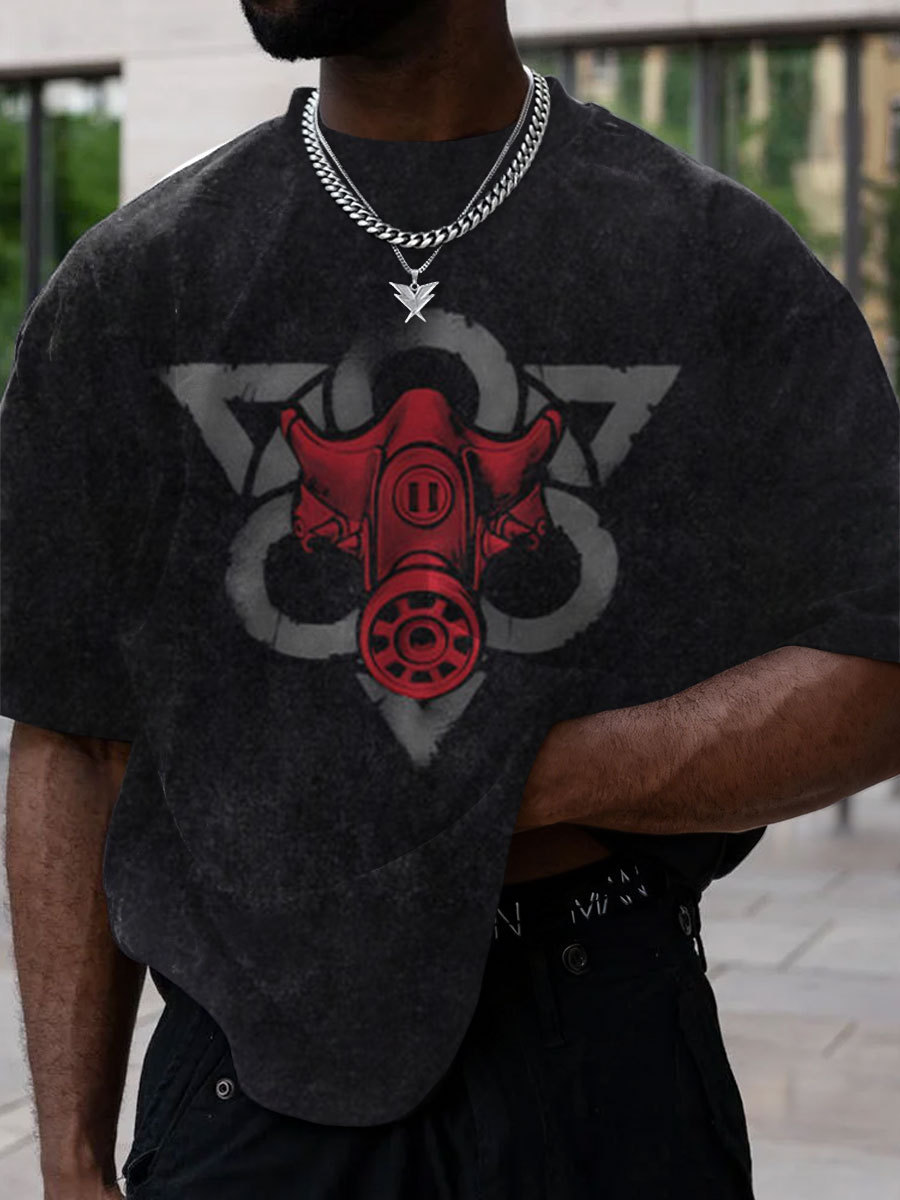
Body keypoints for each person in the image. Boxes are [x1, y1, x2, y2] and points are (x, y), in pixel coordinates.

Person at [1, 1, 899, 1197]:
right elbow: (69, 733)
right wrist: (70, 1162)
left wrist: (515, 776)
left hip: (599, 1052)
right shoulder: (133, 284)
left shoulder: (708, 254)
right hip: (245, 1087)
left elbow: (881, 660)